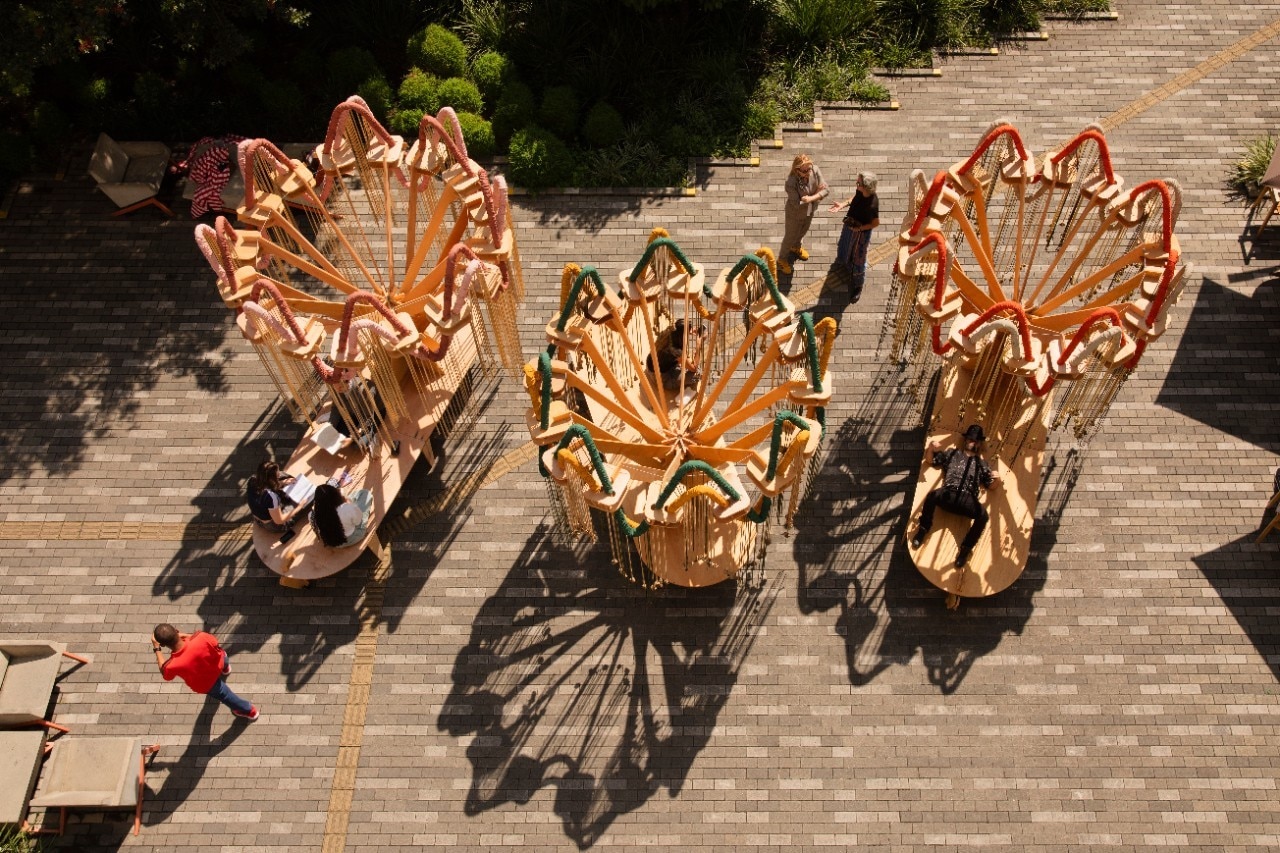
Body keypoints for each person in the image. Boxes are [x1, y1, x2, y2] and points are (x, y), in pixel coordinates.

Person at [910, 424, 1000, 568]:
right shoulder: (952, 454)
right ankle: (923, 529)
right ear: (966, 440)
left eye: (976, 441)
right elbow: (930, 460)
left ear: (979, 444)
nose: (973, 442)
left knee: (983, 516)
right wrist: (930, 449)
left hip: (967, 499)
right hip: (949, 493)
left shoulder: (982, 464)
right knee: (932, 496)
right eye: (970, 439)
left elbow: (991, 486)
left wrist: (997, 479)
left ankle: (966, 549)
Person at [151, 624, 258, 721]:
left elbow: (165, 674)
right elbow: (214, 642)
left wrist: (156, 648)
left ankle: (250, 711)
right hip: (218, 663)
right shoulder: (200, 637)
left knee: (226, 696)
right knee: (223, 655)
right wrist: (183, 635)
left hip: (207, 683)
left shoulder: (172, 665)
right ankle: (225, 668)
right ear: (176, 631)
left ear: (163, 645)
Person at [827, 171, 880, 302]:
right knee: (844, 246)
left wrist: (859, 229)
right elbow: (854, 198)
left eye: (858, 183)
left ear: (866, 187)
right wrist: (843, 204)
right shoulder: (861, 192)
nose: (856, 185)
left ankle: (858, 285)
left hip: (861, 233)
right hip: (850, 226)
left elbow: (875, 223)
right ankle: (845, 263)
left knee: (859, 260)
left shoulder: (872, 205)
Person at [778, 154, 828, 276]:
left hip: (809, 210)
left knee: (803, 231)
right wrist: (817, 194)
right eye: (804, 171)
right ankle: (782, 259)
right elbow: (796, 204)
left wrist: (811, 197)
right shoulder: (791, 183)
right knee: (790, 237)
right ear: (797, 170)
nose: (808, 172)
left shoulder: (815, 170)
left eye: (809, 169)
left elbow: (826, 190)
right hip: (794, 213)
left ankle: (796, 247)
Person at [644, 319, 706, 393]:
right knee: (697, 374)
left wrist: (689, 331)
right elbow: (694, 369)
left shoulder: (667, 333)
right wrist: (698, 345)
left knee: (684, 362)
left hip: (651, 367)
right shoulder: (676, 351)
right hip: (661, 379)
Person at [245, 459, 305, 533]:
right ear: (272, 479)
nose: (279, 473)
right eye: (277, 474)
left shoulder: (252, 479)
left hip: (258, 516)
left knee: (283, 475)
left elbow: (266, 484)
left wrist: (282, 482)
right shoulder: (271, 496)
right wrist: (299, 507)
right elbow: (279, 521)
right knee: (304, 504)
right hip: (272, 524)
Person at [310, 482, 374, 547]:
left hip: (333, 543)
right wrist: (348, 502)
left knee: (354, 497)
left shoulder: (312, 514)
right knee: (365, 494)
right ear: (335, 495)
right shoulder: (346, 508)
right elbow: (358, 522)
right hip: (351, 538)